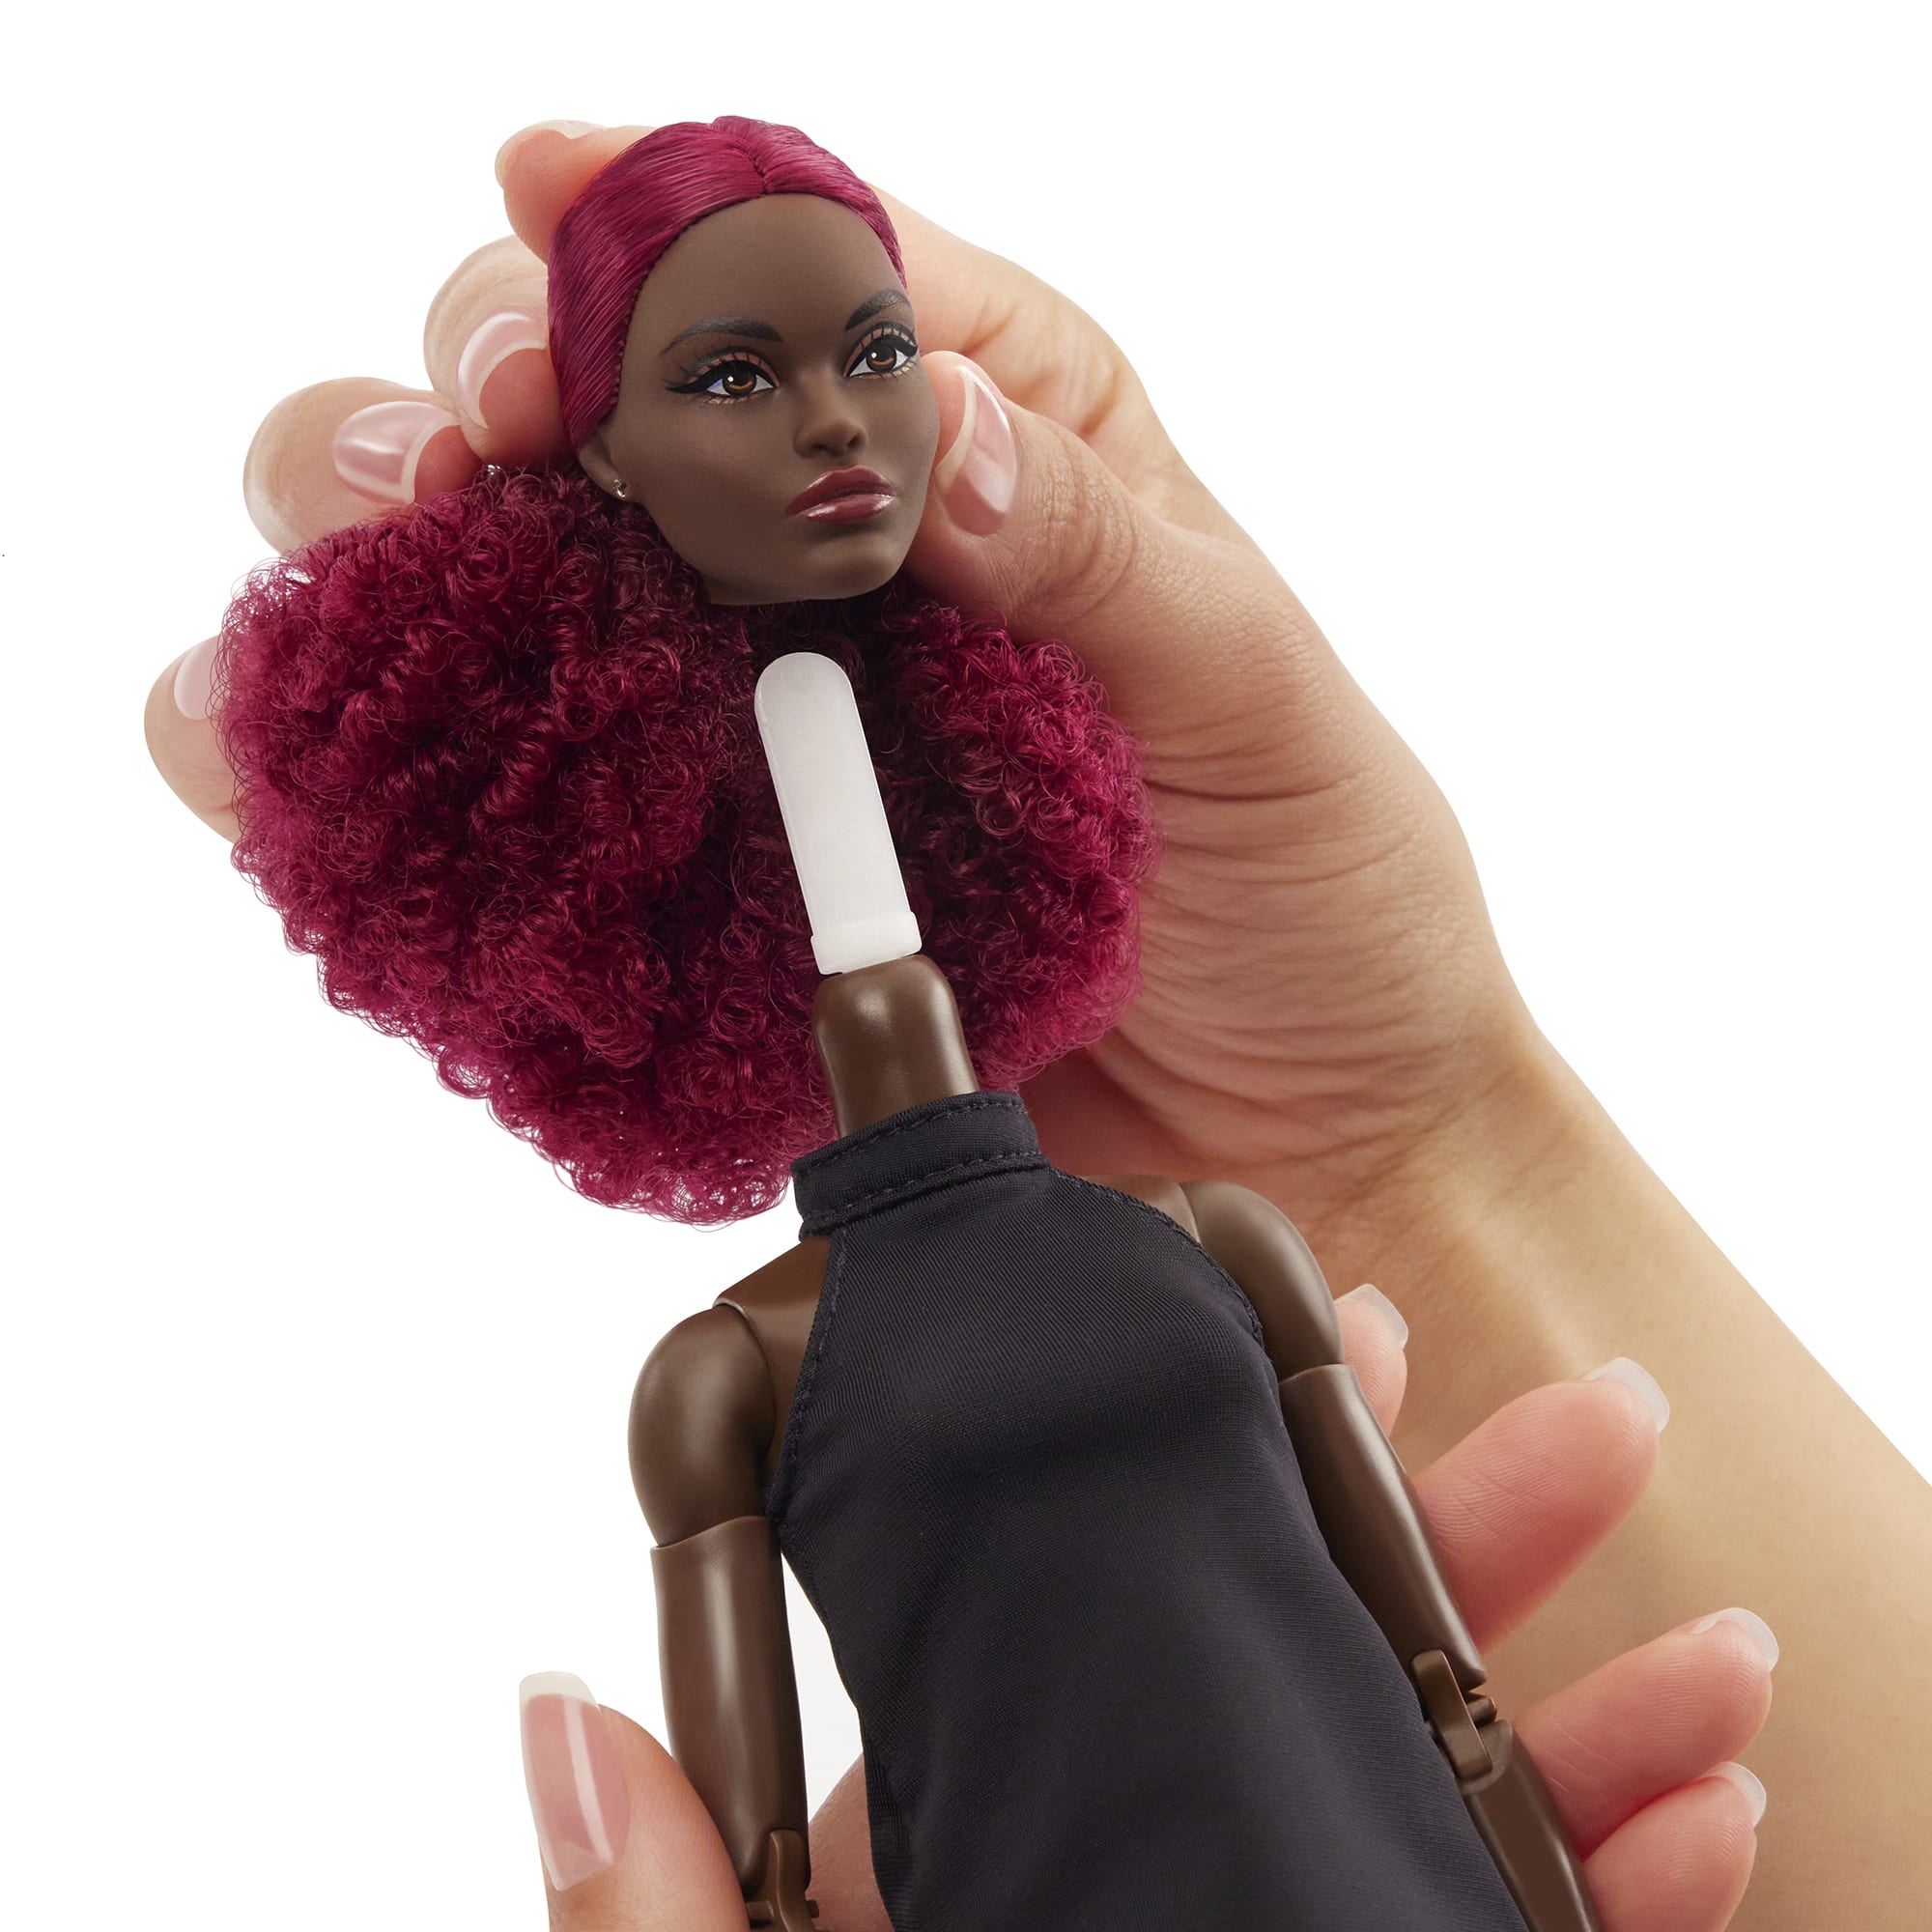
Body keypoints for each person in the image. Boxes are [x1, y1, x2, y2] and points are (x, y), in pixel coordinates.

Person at [143, 119, 1930, 1930]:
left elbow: (1441, 1678)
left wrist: (1502, 1828)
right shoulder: (752, 1369)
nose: (835, 423)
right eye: (735, 375)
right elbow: (765, 1842)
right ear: (600, 451)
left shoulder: (1198, 1240)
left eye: (877, 351)